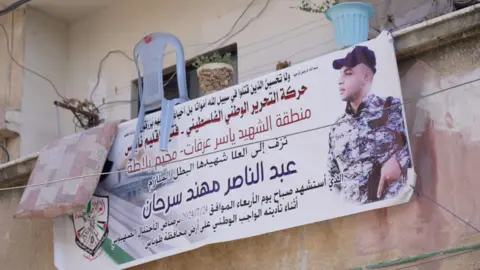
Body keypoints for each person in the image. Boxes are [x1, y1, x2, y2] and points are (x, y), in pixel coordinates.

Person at [325, 45, 411, 205]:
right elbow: (332, 180)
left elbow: (420, 145)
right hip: (356, 221)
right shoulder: (337, 129)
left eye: (348, 73)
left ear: (366, 77)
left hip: (395, 212)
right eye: (340, 74)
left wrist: (399, 162)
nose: (340, 80)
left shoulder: (392, 109)